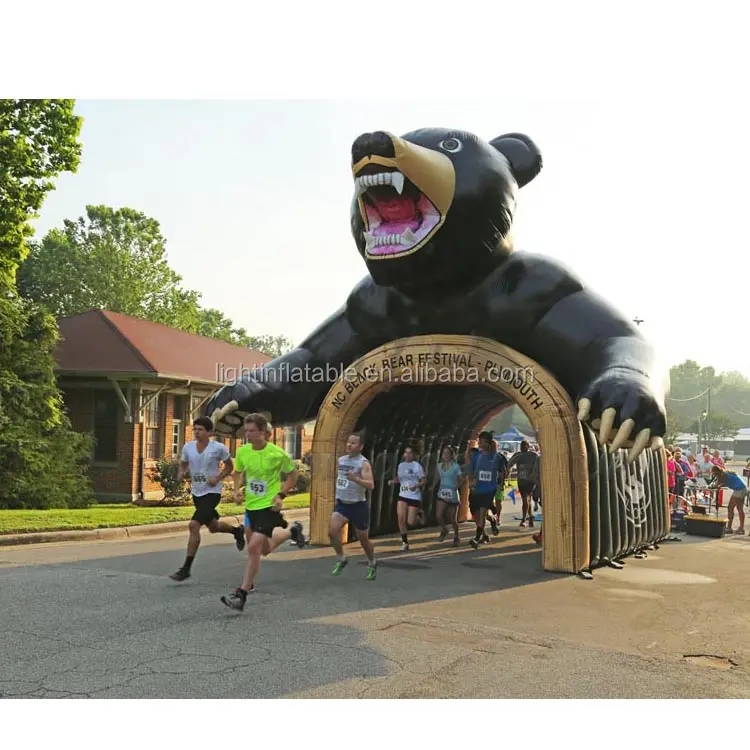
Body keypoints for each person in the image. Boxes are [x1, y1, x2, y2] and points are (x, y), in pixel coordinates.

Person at [220, 413, 307, 611]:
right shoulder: (243, 452)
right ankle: (292, 531)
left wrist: (281, 495)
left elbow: (293, 475)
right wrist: (236, 491)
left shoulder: (277, 454)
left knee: (253, 548)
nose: (248, 435)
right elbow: (238, 473)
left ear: (263, 432)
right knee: (264, 549)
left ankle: (242, 592)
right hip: (251, 507)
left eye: (252, 431)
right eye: (246, 431)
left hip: (269, 507)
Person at [170, 417, 244, 582]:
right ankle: (237, 531)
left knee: (193, 525)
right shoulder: (188, 447)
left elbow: (230, 467)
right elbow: (183, 464)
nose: (197, 432)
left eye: (201, 429)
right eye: (195, 429)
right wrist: (181, 473)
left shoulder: (218, 448)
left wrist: (218, 478)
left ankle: (186, 568)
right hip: (197, 493)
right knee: (213, 527)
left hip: (212, 493)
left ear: (209, 432)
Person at [329, 433, 377, 580]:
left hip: (358, 506)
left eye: (353, 443)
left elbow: (371, 485)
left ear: (361, 446)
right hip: (343, 505)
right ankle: (341, 558)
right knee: (332, 531)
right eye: (348, 442)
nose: (349, 445)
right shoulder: (341, 460)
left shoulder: (363, 463)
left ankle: (372, 562)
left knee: (363, 540)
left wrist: (356, 478)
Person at [466, 431, 505, 548]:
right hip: (477, 489)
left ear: (488, 443)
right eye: (479, 441)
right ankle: (492, 521)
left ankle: (476, 539)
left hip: (489, 490)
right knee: (477, 516)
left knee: (482, 515)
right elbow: (471, 471)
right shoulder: (476, 456)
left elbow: (502, 471)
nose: (479, 443)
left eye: (482, 441)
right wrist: (471, 482)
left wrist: (500, 484)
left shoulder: (496, 457)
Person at [389, 446, 425, 551]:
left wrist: (416, 486)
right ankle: (405, 542)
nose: (407, 455)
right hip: (403, 495)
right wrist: (393, 481)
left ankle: (419, 513)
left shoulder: (417, 466)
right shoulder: (401, 465)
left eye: (410, 453)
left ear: (413, 455)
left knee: (411, 522)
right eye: (406, 452)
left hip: (414, 496)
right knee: (400, 519)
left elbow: (423, 480)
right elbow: (400, 479)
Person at [434, 446, 464, 545]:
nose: (445, 455)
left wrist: (457, 486)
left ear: (452, 455)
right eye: (444, 453)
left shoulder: (456, 467)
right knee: (438, 515)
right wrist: (431, 486)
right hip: (442, 493)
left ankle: (456, 536)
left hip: (453, 494)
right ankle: (444, 529)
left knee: (452, 519)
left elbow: (461, 480)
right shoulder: (439, 466)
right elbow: (437, 478)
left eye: (447, 453)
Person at [507, 440, 539, 527]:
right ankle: (531, 516)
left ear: (528, 447)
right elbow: (509, 464)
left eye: (525, 446)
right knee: (527, 499)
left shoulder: (533, 455)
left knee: (526, 499)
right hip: (521, 481)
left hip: (530, 481)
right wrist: (507, 475)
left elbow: (539, 464)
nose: (523, 447)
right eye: (522, 446)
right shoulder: (517, 455)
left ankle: (524, 519)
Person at [709, 465, 748, 535]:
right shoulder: (726, 473)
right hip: (743, 488)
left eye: (714, 474)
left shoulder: (722, 476)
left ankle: (730, 528)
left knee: (730, 508)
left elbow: (716, 485)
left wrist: (714, 485)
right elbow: (724, 483)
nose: (714, 475)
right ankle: (741, 528)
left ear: (716, 473)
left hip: (739, 490)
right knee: (740, 509)